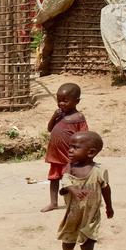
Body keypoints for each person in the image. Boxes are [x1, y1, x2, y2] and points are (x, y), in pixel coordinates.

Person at [57, 131, 114, 250]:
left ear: (90, 152)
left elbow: (106, 189)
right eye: (70, 146)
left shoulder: (99, 170)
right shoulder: (70, 168)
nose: (70, 150)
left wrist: (109, 207)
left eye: (75, 147)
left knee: (87, 246)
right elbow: (65, 183)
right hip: (72, 215)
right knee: (67, 244)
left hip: (91, 215)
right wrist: (74, 190)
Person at [41, 83, 88, 212]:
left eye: (65, 101)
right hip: (55, 155)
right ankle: (53, 203)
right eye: (59, 100)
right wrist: (54, 117)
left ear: (76, 101)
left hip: (69, 157)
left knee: (72, 180)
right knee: (54, 179)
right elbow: (50, 128)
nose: (61, 104)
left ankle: (77, 202)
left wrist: (80, 153)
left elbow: (84, 136)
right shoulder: (60, 115)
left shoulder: (78, 118)